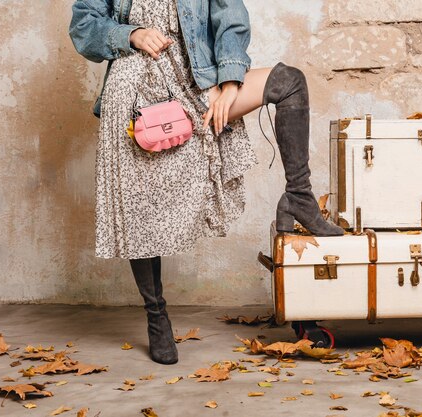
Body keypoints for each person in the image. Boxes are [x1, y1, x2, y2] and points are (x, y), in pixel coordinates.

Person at [69, 0, 343, 365]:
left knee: (289, 81)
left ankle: (298, 199)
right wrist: (130, 35)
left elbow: (229, 15)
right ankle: (156, 316)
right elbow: (84, 26)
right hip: (134, 90)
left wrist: (229, 80)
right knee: (140, 208)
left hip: (197, 79)